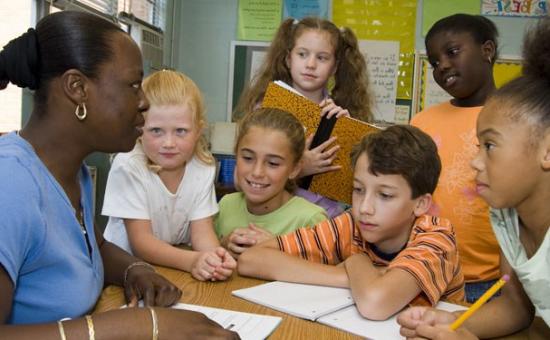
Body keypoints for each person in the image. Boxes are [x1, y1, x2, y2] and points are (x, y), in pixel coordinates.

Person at [0, 11, 237, 338]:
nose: (143, 102)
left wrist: (133, 269)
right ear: (77, 88)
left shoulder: (69, 169)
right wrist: (139, 325)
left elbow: (92, 245)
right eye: (133, 85)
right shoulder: (9, 183)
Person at [397, 17, 550, 339]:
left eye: (490, 146)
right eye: (478, 145)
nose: (475, 163)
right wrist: (451, 322)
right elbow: (514, 308)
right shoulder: (507, 218)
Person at [238, 125, 465, 320]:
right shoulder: (351, 224)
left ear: (421, 204)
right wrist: (349, 277)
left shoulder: (437, 238)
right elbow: (251, 259)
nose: (364, 208)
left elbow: (375, 303)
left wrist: (356, 260)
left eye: (385, 195)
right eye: (358, 190)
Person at [102, 70, 236, 282]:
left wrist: (214, 258)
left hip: (169, 267)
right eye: (156, 131)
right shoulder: (128, 166)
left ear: (199, 131)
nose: (169, 143)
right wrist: (193, 261)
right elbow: (142, 242)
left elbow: (201, 232)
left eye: (181, 131)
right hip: (124, 272)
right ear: (139, 128)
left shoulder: (202, 167)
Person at [234, 16, 372, 218]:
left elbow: (355, 185)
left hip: (324, 219)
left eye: (322, 57)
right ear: (289, 59)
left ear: (335, 67)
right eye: (302, 54)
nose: (310, 64)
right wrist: (299, 168)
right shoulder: (264, 110)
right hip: (274, 218)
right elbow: (240, 181)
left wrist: (349, 134)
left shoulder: (341, 113)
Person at [410, 13, 501, 303]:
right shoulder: (423, 121)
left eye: (452, 52)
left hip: (490, 282)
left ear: (487, 51)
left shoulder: (515, 119)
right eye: (434, 62)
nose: (443, 66)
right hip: (424, 273)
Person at [216, 108, 328, 258]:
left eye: (273, 163)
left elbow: (322, 274)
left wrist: (281, 248)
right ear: (236, 155)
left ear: (294, 169)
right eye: (248, 158)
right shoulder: (225, 205)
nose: (257, 172)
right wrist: (223, 245)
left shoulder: (310, 219)